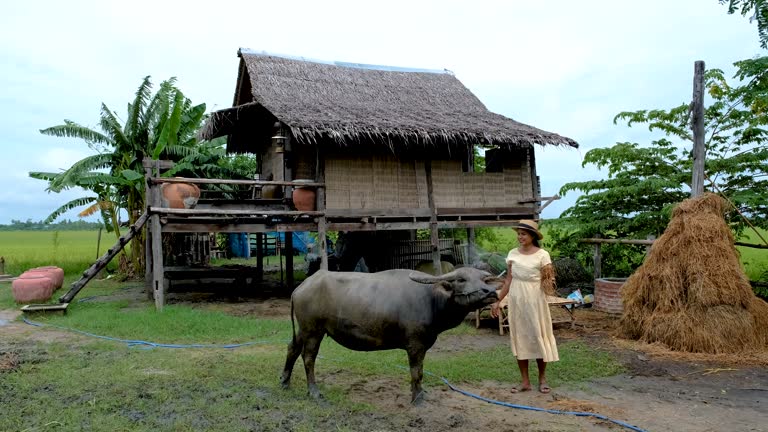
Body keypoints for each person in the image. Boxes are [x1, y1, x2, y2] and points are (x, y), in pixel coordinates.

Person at [490, 219, 558, 394]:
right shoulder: (513, 253)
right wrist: (498, 300)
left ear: (532, 236)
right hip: (517, 299)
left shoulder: (542, 255)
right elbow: (509, 280)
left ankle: (542, 379)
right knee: (521, 338)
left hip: (535, 299)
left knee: (538, 336)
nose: (520, 237)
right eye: (518, 234)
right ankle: (525, 381)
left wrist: (549, 281)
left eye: (524, 234)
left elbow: (548, 281)